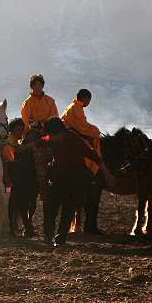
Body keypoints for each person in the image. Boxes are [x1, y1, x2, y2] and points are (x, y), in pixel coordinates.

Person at [42, 117, 102, 246]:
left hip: (74, 179)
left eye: (51, 135)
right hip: (57, 176)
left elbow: (91, 154)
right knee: (50, 207)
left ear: (59, 132)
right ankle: (48, 236)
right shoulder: (53, 138)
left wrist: (106, 173)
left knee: (68, 210)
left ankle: (60, 239)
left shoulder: (74, 140)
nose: (50, 138)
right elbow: (44, 139)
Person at [61, 88, 103, 233]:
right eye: (89, 100)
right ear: (85, 98)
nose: (88, 102)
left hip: (70, 132)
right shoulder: (77, 108)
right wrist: (95, 130)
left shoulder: (72, 106)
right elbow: (82, 126)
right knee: (95, 135)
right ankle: (93, 164)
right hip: (71, 135)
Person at [20, 74, 58, 203]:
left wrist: (44, 125)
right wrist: (40, 124)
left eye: (40, 84)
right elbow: (27, 121)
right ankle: (42, 185)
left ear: (43, 85)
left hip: (48, 133)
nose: (38, 87)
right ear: (32, 86)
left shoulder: (50, 101)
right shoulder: (27, 103)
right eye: (35, 85)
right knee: (36, 149)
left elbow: (55, 118)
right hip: (33, 133)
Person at [5, 118, 38, 237]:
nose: (20, 132)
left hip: (18, 176)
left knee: (20, 202)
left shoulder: (16, 141)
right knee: (14, 202)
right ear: (12, 130)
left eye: (21, 130)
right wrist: (31, 145)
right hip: (11, 176)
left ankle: (22, 227)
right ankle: (15, 228)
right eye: (18, 129)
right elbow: (13, 153)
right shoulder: (9, 140)